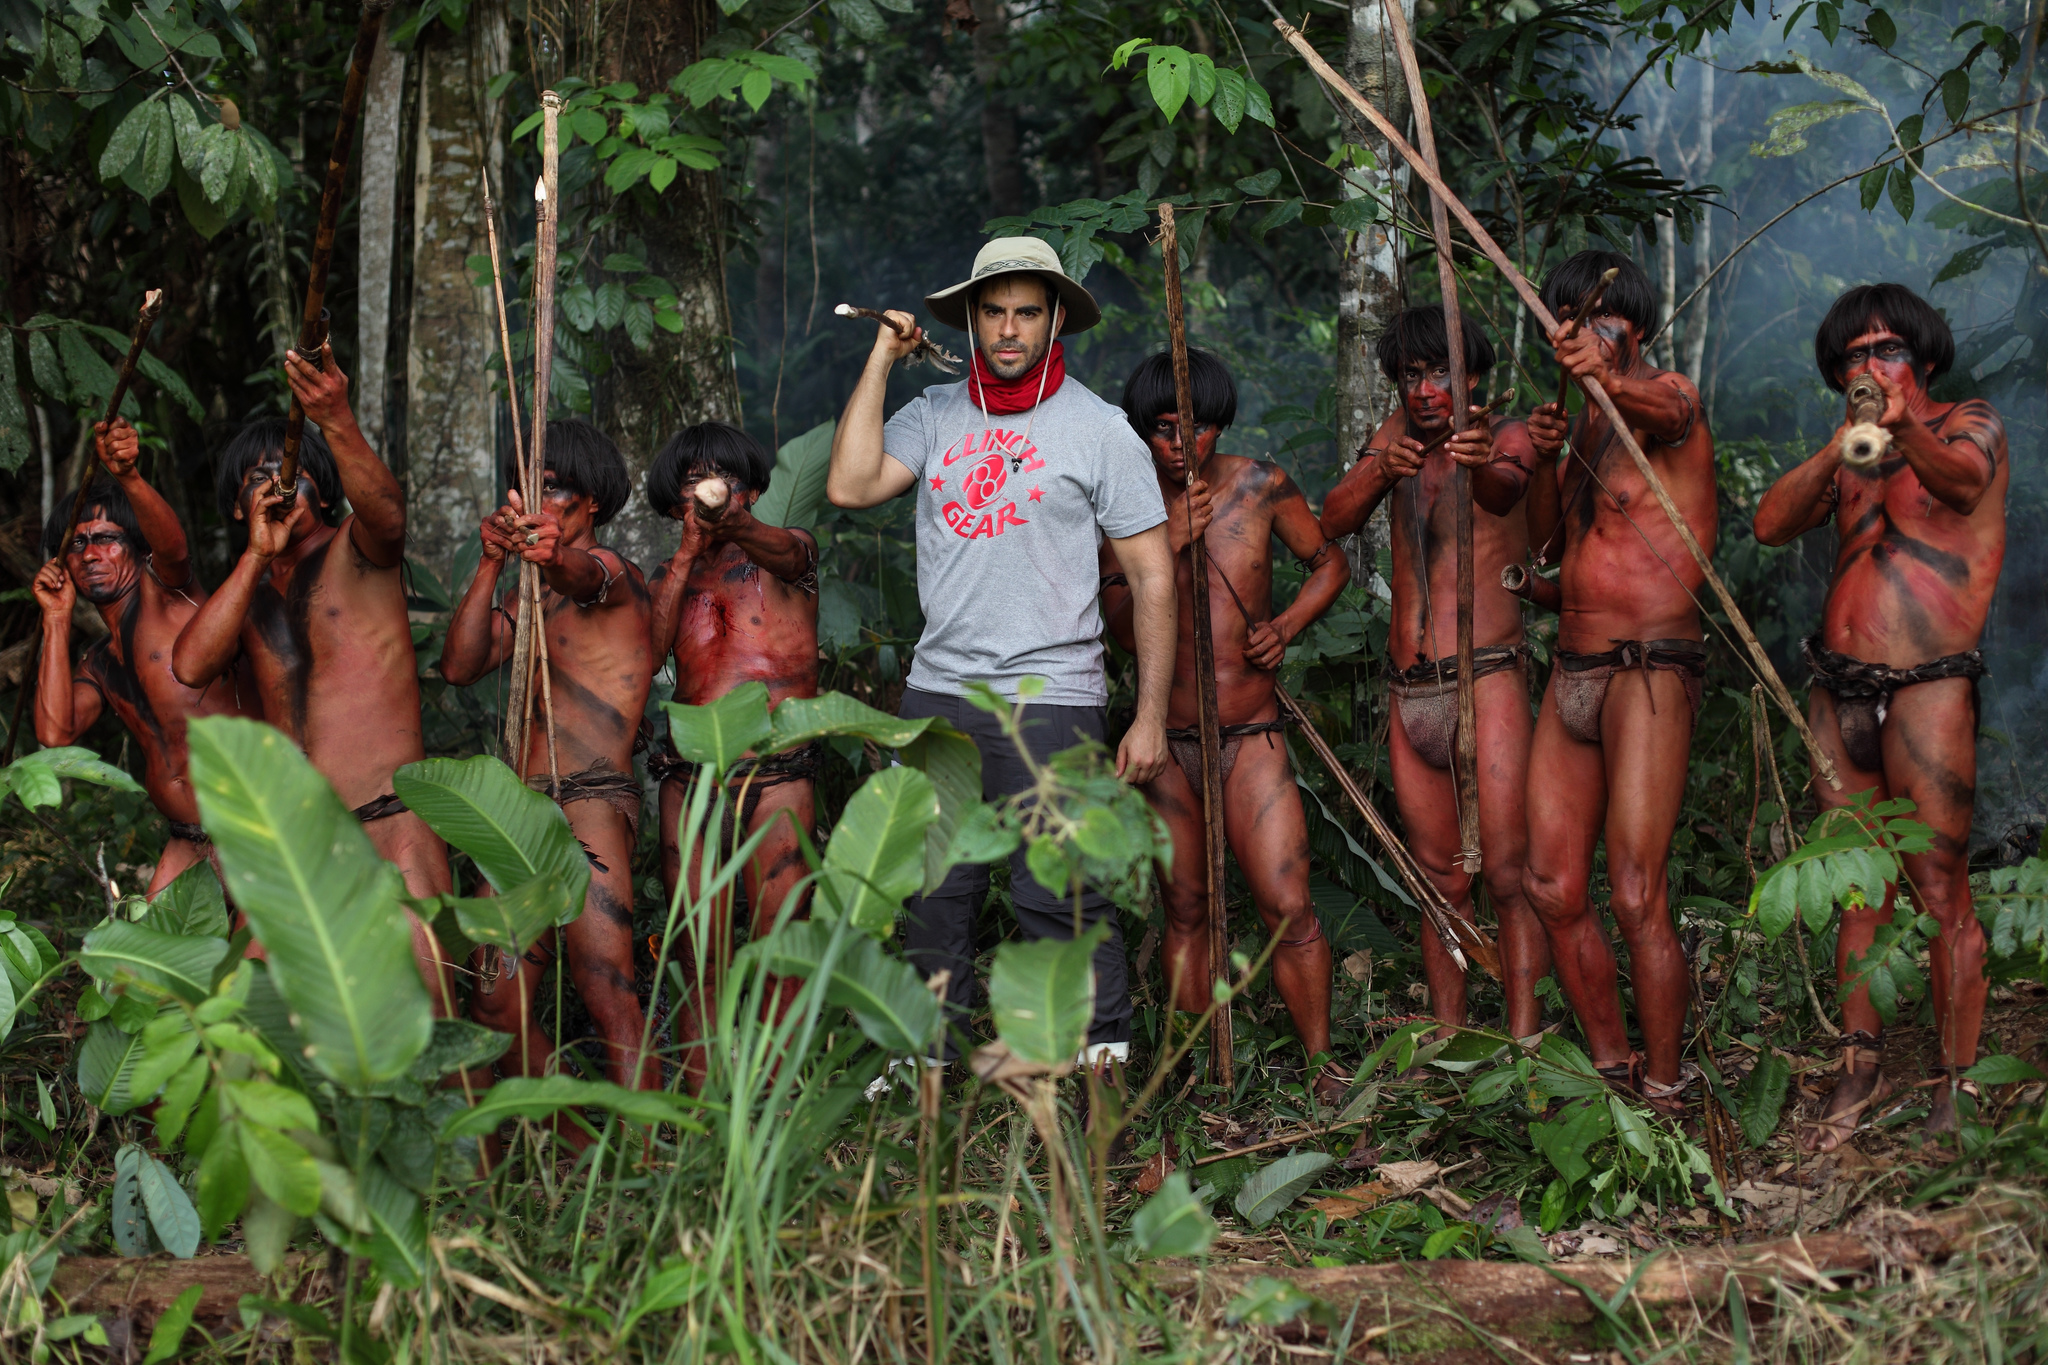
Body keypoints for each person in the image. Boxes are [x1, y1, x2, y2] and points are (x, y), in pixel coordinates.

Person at [824, 236, 1177, 1067]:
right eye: (993, 312)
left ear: (1056, 320)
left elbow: (1153, 579)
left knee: (1062, 891)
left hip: (1054, 695)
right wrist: (881, 357)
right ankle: (925, 1066)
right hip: (941, 692)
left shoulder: (1100, 431)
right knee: (932, 891)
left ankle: (1094, 1066)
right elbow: (849, 485)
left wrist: (1150, 714)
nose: (1008, 329)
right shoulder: (934, 415)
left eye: (1026, 311)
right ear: (973, 321)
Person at [1752, 284, 2006, 1149]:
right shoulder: (1852, 452)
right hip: (1841, 691)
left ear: (1924, 359)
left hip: (1930, 688)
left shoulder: (1969, 422)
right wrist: (1837, 452)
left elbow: (1966, 484)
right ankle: (1858, 1068)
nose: (1872, 367)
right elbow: (1769, 524)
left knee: (1941, 894)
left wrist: (1904, 426)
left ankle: (1956, 1086)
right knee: (1857, 888)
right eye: (1855, 356)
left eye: (1888, 349)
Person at [172, 342, 455, 1011]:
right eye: (254, 480)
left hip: (391, 823)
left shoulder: (358, 552)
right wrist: (252, 557)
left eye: (288, 471)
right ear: (237, 508)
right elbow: (190, 665)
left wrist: (336, 418)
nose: (273, 484)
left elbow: (388, 514)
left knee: (434, 1018)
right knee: (250, 1021)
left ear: (322, 487)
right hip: (302, 846)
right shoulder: (245, 594)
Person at [1103, 348, 1350, 1098]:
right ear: (1143, 429)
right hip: (1169, 742)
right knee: (1184, 904)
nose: (1185, 445)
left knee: (1288, 902)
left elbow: (1330, 561)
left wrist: (1288, 624)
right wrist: (1167, 540)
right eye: (1167, 429)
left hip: (1252, 736)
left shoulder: (1260, 484)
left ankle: (1320, 1061)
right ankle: (1196, 1073)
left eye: (1200, 428)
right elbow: (1112, 621)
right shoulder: (1121, 501)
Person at [1521, 250, 1718, 1116]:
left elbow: (1671, 407)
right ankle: (1612, 1069)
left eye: (1604, 324)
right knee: (1554, 885)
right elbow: (1553, 558)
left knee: (1638, 889)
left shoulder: (1665, 399)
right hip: (1574, 665)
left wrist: (1607, 376)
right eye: (1570, 321)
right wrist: (1539, 457)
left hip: (1650, 669)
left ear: (1635, 332)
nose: (1587, 336)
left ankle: (1669, 1085)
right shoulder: (1587, 431)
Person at [1319, 308, 1551, 1042]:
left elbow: (1503, 493)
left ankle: (1523, 1039)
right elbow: (1333, 519)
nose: (1425, 389)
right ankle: (1450, 1042)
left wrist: (1473, 456)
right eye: (1412, 375)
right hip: (1410, 687)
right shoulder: (1394, 443)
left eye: (1440, 371)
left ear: (1473, 374)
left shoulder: (1504, 438)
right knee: (1440, 884)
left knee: (1510, 877)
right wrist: (1379, 463)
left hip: (1486, 677)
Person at [439, 419, 656, 1093]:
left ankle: (656, 1170)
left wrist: (549, 554)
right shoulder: (523, 599)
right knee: (495, 1005)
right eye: (527, 485)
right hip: (522, 812)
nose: (537, 497)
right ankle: (579, 1148)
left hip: (591, 800)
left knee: (607, 991)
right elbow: (459, 666)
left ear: (593, 502)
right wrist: (489, 562)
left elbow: (583, 571)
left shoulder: (613, 575)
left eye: (556, 488)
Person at [643, 421, 821, 1092]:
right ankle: (701, 1110)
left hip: (778, 771)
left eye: (727, 479)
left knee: (781, 945)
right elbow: (648, 656)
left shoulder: (788, 554)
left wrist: (735, 523)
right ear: (672, 502)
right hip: (689, 777)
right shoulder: (669, 576)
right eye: (695, 482)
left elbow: (787, 552)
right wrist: (688, 553)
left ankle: (775, 1107)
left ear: (752, 491)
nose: (715, 492)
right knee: (696, 953)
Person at [30, 419, 255, 894]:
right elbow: (55, 733)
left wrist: (129, 477)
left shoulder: (170, 594)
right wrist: (55, 618)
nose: (90, 554)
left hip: (256, 821)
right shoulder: (99, 662)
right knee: (148, 964)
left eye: (106, 539)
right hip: (189, 838)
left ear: (135, 549)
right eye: (77, 543)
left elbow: (173, 547)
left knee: (257, 960)